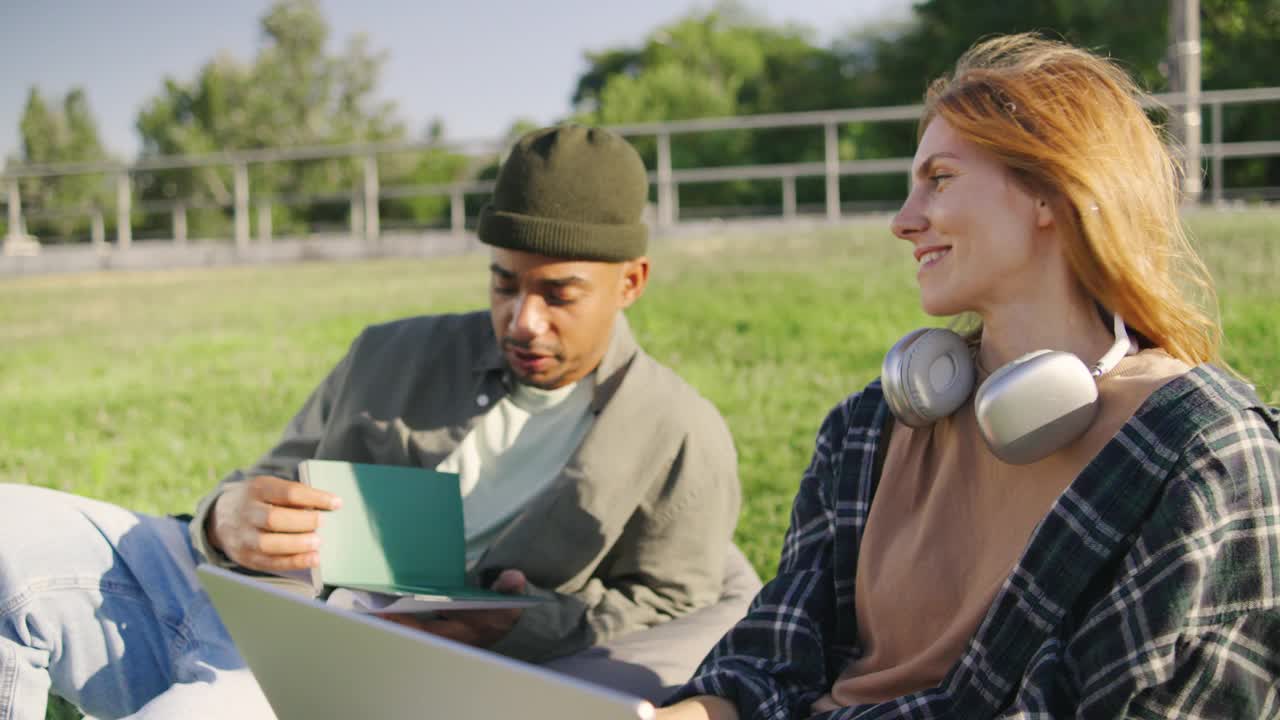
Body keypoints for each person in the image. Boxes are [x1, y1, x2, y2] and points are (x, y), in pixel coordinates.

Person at [0, 125, 760, 720]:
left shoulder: (678, 432)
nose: (522, 321)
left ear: (631, 282)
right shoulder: (390, 352)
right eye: (504, 285)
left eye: (558, 295)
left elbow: (672, 606)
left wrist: (515, 624)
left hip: (351, 673)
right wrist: (227, 517)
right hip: (245, 598)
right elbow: (260, 484)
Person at [660, 34, 1280, 720]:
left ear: (1052, 193)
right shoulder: (867, 429)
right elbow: (773, 658)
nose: (903, 221)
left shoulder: (1203, 456)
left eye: (941, 179)